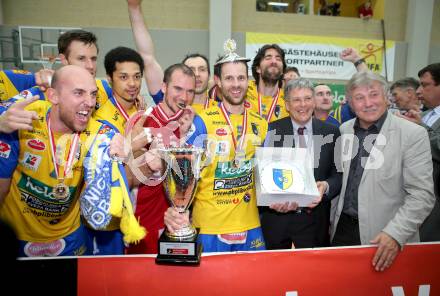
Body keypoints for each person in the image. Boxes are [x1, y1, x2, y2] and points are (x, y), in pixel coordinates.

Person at [0, 65, 136, 256]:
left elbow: (118, 190)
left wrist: (125, 154)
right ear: (53, 96)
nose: (89, 102)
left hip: (70, 240)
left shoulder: (98, 134)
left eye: (93, 94)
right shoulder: (25, 118)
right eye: (79, 93)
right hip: (18, 238)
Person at [165, 41, 268, 252]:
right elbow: (183, 173)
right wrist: (177, 209)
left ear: (248, 80)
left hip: (251, 226)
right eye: (229, 78)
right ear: (218, 81)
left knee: (253, 285)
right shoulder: (202, 121)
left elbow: (265, 175)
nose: (236, 84)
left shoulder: (261, 123)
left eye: (241, 77)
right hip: (210, 227)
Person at [330, 71, 435, 272]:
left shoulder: (413, 134)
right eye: (359, 98)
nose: (368, 103)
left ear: (386, 97)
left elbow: (422, 195)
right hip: (341, 233)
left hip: (385, 237)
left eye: (374, 94)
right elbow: (341, 180)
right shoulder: (344, 130)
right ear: (350, 104)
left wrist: (395, 234)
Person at [261, 78, 341, 248]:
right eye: (296, 100)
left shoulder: (332, 132)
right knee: (275, 273)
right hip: (277, 222)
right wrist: (271, 201)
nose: (302, 105)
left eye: (307, 98)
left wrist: (325, 186)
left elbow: (338, 175)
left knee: (314, 274)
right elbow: (262, 176)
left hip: (315, 223)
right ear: (287, 105)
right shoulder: (270, 130)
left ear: (314, 101)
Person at [125, 63, 196, 254]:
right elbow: (126, 173)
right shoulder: (143, 121)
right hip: (143, 221)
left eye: (190, 91)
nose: (184, 97)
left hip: (174, 220)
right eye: (178, 89)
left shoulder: (192, 125)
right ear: (164, 87)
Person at [83, 46, 145, 255]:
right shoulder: (100, 120)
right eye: (124, 77)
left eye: (137, 76)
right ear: (110, 79)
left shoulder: (141, 110)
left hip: (137, 215)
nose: (132, 84)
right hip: (108, 219)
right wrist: (133, 147)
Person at [0, 30, 113, 132]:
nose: (90, 66)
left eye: (93, 59)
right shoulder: (39, 93)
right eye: (81, 58)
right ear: (63, 59)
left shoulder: (105, 89)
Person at [126, 0, 218, 111]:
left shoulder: (221, 107)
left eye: (202, 69)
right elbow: (147, 58)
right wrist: (134, 7)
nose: (197, 74)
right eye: (190, 70)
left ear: (209, 76)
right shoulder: (168, 100)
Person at [399, 63, 440, 242]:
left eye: (425, 85)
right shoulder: (425, 114)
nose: (418, 91)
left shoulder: (422, 121)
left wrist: (419, 128)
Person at [247, 44, 288, 123]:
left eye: (278, 59)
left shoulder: (288, 100)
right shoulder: (244, 90)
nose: (274, 61)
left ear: (282, 71)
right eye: (268, 58)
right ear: (258, 68)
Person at [327, 48, 368, 126]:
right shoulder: (338, 116)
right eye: (358, 96)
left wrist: (357, 60)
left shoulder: (375, 111)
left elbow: (367, 81)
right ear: (348, 96)